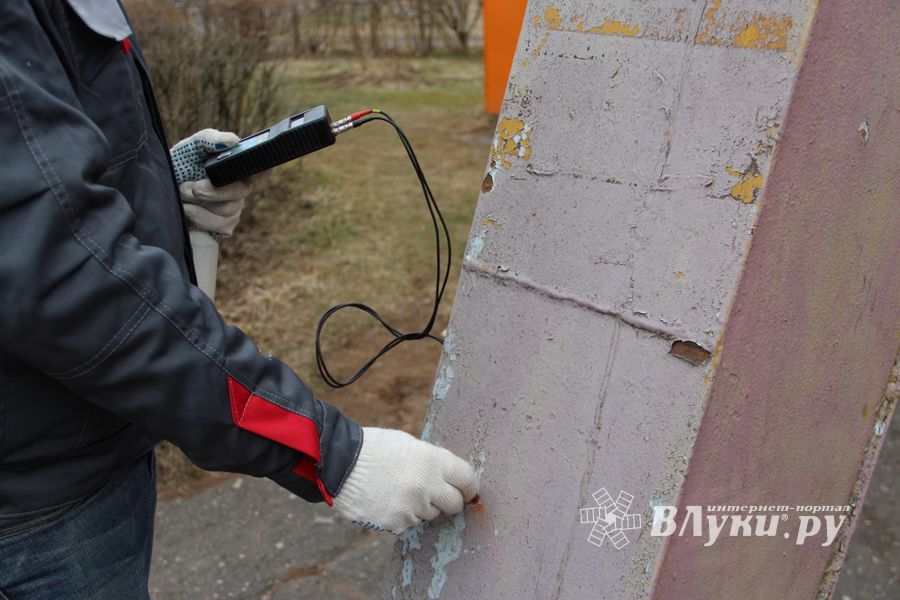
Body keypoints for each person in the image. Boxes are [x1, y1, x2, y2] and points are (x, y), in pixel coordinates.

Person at [0, 2, 478, 598]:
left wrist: (159, 191)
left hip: (85, 448)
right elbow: (62, 277)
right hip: (38, 511)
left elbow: (39, 182)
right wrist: (333, 452)